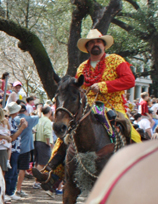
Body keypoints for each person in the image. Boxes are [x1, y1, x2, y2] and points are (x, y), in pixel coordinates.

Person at [34, 29, 139, 188]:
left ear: (103, 45)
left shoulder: (117, 60)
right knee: (67, 133)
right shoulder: (82, 67)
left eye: (98, 42)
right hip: (88, 107)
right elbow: (77, 90)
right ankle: (52, 174)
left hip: (112, 105)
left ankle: (137, 166)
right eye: (91, 43)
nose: (95, 45)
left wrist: (103, 86)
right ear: (87, 47)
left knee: (128, 127)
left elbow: (129, 81)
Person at [33, 105, 53, 174]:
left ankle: (36, 180)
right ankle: (38, 181)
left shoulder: (39, 119)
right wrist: (48, 142)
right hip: (44, 143)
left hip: (37, 141)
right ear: (50, 112)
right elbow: (47, 132)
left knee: (38, 162)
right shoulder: (47, 121)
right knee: (42, 163)